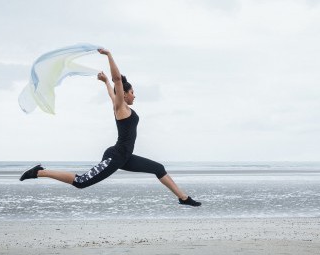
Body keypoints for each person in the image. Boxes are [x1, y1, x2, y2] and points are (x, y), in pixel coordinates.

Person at [20, 48, 201, 207]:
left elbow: (112, 92)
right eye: (132, 92)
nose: (134, 96)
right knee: (81, 182)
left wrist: (106, 82)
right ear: (124, 93)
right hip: (115, 157)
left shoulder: (122, 106)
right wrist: (109, 56)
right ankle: (39, 172)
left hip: (125, 156)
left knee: (158, 168)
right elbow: (118, 82)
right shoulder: (120, 107)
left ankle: (183, 198)